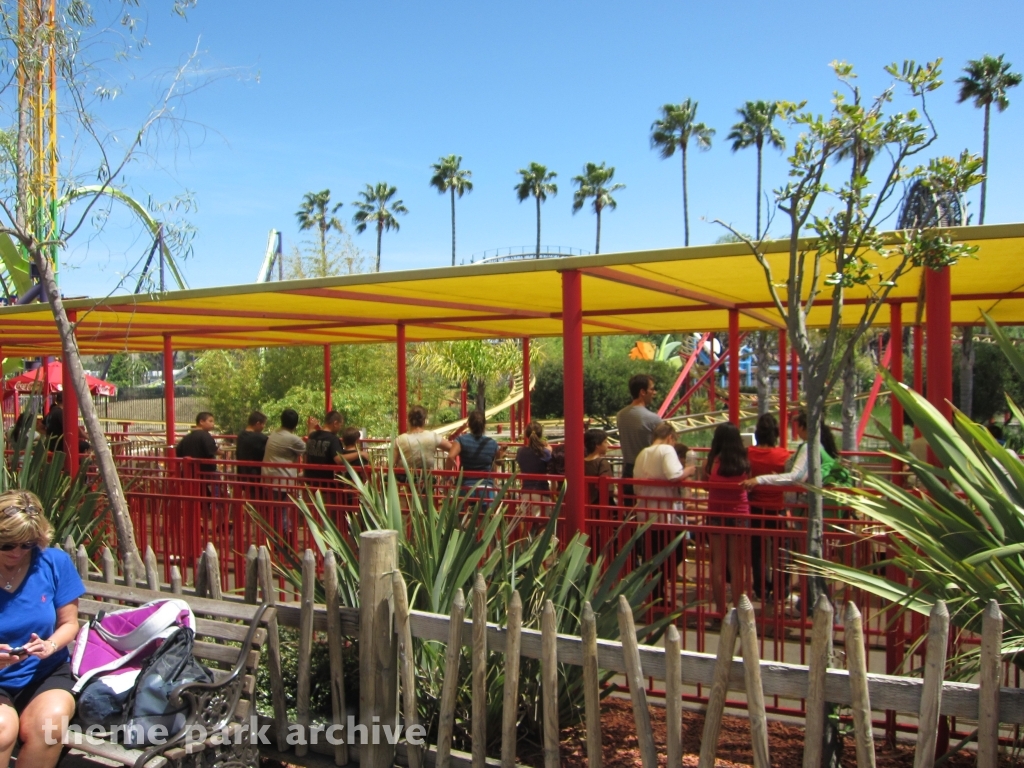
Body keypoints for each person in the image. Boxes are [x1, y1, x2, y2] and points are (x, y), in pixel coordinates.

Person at [0, 489, 85, 768]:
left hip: (43, 671)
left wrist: (50, 645)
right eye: (7, 545)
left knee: (50, 726)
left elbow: (69, 623)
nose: (17, 552)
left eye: (27, 544)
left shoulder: (53, 562)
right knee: (2, 728)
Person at [705, 422, 751, 619]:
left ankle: (720, 609)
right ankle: (740, 609)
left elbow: (707, 485)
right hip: (739, 514)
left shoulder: (711, 462)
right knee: (736, 563)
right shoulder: (744, 461)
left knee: (717, 563)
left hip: (716, 512)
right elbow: (751, 484)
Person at [746, 414, 791, 601]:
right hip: (777, 507)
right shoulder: (784, 455)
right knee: (783, 549)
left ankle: (761, 589)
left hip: (756, 507)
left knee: (758, 550)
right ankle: (781, 589)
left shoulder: (748, 453)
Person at [740, 411, 840, 495]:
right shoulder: (816, 446)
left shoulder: (808, 447)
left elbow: (796, 477)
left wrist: (759, 479)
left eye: (798, 425)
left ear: (803, 427)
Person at [632, 422, 697, 520]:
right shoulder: (667, 449)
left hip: (643, 509)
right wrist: (688, 470)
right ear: (670, 437)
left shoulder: (643, 452)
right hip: (661, 511)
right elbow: (674, 475)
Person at [616, 374, 660, 504]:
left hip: (627, 470)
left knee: (630, 514)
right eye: (652, 389)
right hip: (647, 472)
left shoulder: (621, 415)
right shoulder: (653, 419)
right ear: (642, 391)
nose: (654, 392)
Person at [447, 411, 503, 498]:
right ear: (484, 425)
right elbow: (499, 462)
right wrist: (502, 452)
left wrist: (449, 477)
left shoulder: (461, 440)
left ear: (469, 424)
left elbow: (450, 456)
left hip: (465, 487)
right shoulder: (492, 443)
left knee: (462, 511)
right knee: (486, 511)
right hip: (486, 487)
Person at [394, 406, 451, 473]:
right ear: (424, 421)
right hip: (427, 479)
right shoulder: (432, 436)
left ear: (409, 420)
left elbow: (390, 463)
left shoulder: (400, 439)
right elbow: (452, 448)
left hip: (404, 479)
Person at [515, 421, 553, 516]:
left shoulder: (520, 452)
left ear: (526, 435)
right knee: (543, 524)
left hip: (526, 492)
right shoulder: (545, 452)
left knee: (526, 522)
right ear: (540, 435)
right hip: (541, 491)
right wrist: (549, 449)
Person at [262, 409, 306, 485]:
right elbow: (309, 450)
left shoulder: (274, 433)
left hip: (267, 480)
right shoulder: (293, 439)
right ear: (295, 424)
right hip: (282, 483)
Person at [305, 411, 345, 485]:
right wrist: (360, 454)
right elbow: (338, 459)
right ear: (335, 423)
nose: (340, 428)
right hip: (325, 483)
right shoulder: (333, 439)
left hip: (309, 481)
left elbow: (311, 433)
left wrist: (311, 427)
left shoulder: (312, 436)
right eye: (340, 425)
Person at [175, 412, 219, 478]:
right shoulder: (206, 436)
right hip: (204, 474)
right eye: (210, 421)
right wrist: (221, 451)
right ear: (201, 422)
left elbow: (178, 452)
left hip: (188, 473)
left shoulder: (186, 437)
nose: (213, 424)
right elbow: (212, 450)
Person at [584, 429, 615, 507]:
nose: (607, 444)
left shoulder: (581, 462)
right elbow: (608, 488)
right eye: (605, 442)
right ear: (597, 445)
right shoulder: (602, 463)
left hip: (584, 503)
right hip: (599, 505)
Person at [235, 411, 269, 480]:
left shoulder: (241, 434)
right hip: (255, 475)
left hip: (242, 473)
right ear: (258, 424)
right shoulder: (259, 437)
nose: (263, 427)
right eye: (263, 424)